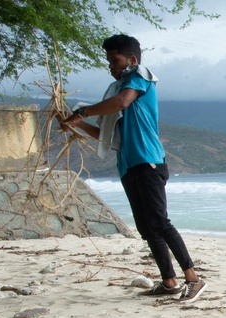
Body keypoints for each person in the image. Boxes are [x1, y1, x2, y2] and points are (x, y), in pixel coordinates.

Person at [59, 34, 206, 303]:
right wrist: (73, 123)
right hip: (128, 166)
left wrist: (82, 112)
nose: (111, 67)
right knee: (147, 228)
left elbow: (121, 102)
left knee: (160, 222)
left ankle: (193, 279)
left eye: (115, 60)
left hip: (149, 162)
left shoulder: (140, 76)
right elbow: (106, 136)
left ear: (132, 59)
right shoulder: (117, 91)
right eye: (108, 61)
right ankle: (169, 281)